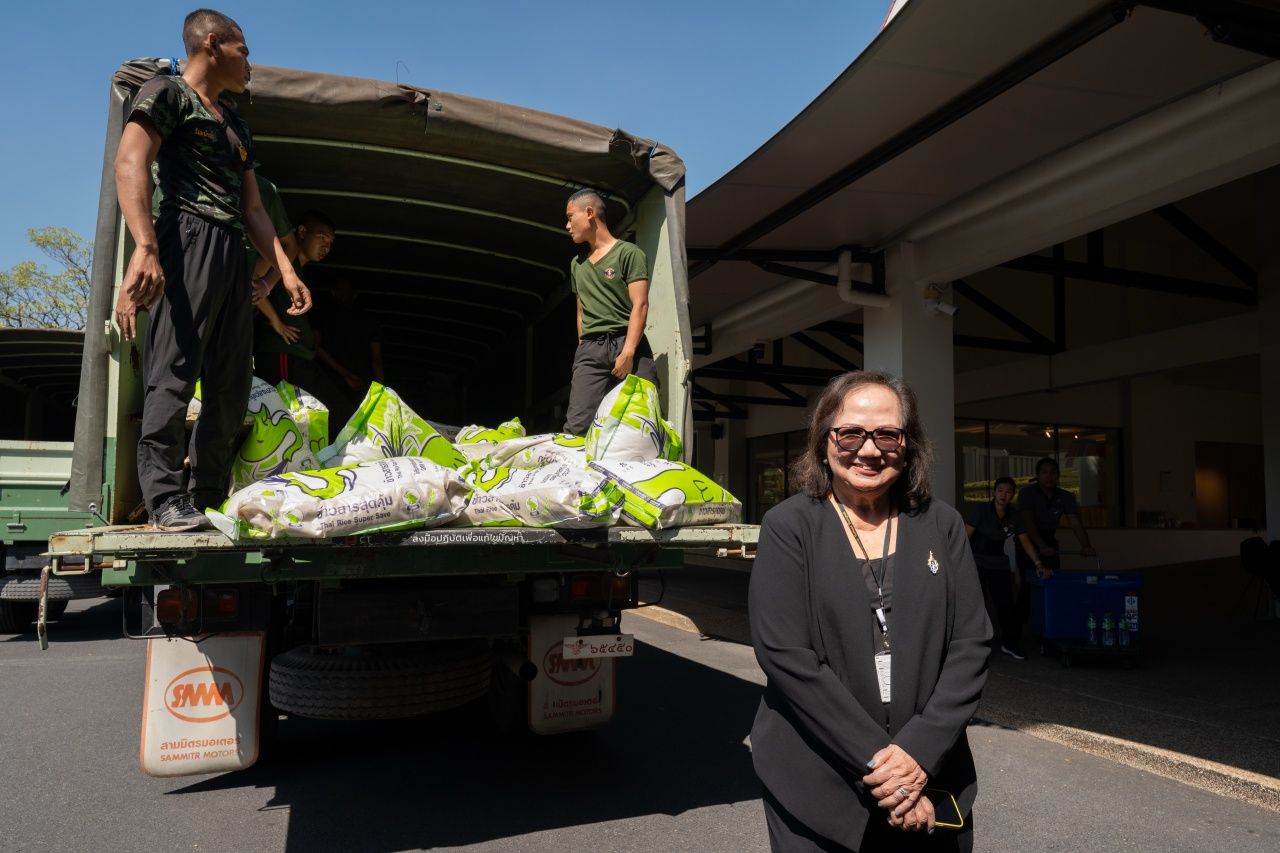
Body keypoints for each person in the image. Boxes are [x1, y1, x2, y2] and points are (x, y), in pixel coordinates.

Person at [748, 370, 990, 852]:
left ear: (909, 444)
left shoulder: (939, 522)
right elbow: (786, 657)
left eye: (887, 434)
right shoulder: (789, 525)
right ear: (823, 441)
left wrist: (919, 752)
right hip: (817, 778)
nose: (869, 449)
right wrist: (891, 771)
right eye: (851, 433)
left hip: (931, 775)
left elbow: (971, 644)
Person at [113, 9, 311, 531]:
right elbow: (130, 162)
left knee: (231, 383)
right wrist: (145, 246)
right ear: (212, 44)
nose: (249, 62)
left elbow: (254, 210)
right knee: (174, 374)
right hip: (186, 234)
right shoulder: (167, 94)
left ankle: (205, 493)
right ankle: (165, 498)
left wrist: (285, 271)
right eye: (243, 50)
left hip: (230, 249)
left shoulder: (235, 122)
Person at [561, 188, 657, 436]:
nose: (568, 225)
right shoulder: (577, 264)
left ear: (590, 213)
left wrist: (628, 352)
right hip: (591, 349)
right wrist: (583, 346)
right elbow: (581, 310)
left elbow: (641, 305)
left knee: (644, 420)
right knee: (577, 426)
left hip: (628, 343)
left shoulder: (628, 253)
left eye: (571, 217)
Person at [251, 210, 335, 390]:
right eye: (322, 237)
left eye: (330, 243)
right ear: (303, 232)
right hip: (281, 353)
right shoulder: (284, 257)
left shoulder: (300, 271)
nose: (326, 246)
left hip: (299, 358)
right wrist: (276, 321)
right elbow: (251, 281)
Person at [965, 476, 1044, 660]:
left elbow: (1025, 540)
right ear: (994, 492)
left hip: (999, 563)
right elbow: (964, 535)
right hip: (976, 562)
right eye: (1000, 490)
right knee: (976, 605)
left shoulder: (1014, 515)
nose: (1003, 495)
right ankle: (972, 647)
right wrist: (954, 562)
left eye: (1008, 492)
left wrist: (1038, 563)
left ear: (1012, 495)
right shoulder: (981, 510)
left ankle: (1010, 644)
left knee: (1006, 605)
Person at [313, 276, 383, 428]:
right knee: (359, 430)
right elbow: (376, 361)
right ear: (355, 294)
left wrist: (343, 373)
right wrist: (380, 395)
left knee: (331, 428)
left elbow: (316, 348)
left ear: (333, 292)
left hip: (329, 383)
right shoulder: (369, 319)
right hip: (360, 383)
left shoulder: (321, 315)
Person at [1017, 457, 1097, 571]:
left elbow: (1075, 522)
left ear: (1058, 475)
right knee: (1030, 582)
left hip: (1050, 539)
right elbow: (1028, 522)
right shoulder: (1026, 493)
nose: (1049, 476)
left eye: (1053, 472)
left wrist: (1086, 546)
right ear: (1038, 475)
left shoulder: (1065, 496)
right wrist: (1041, 546)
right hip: (1028, 541)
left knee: (1054, 577)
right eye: (1044, 472)